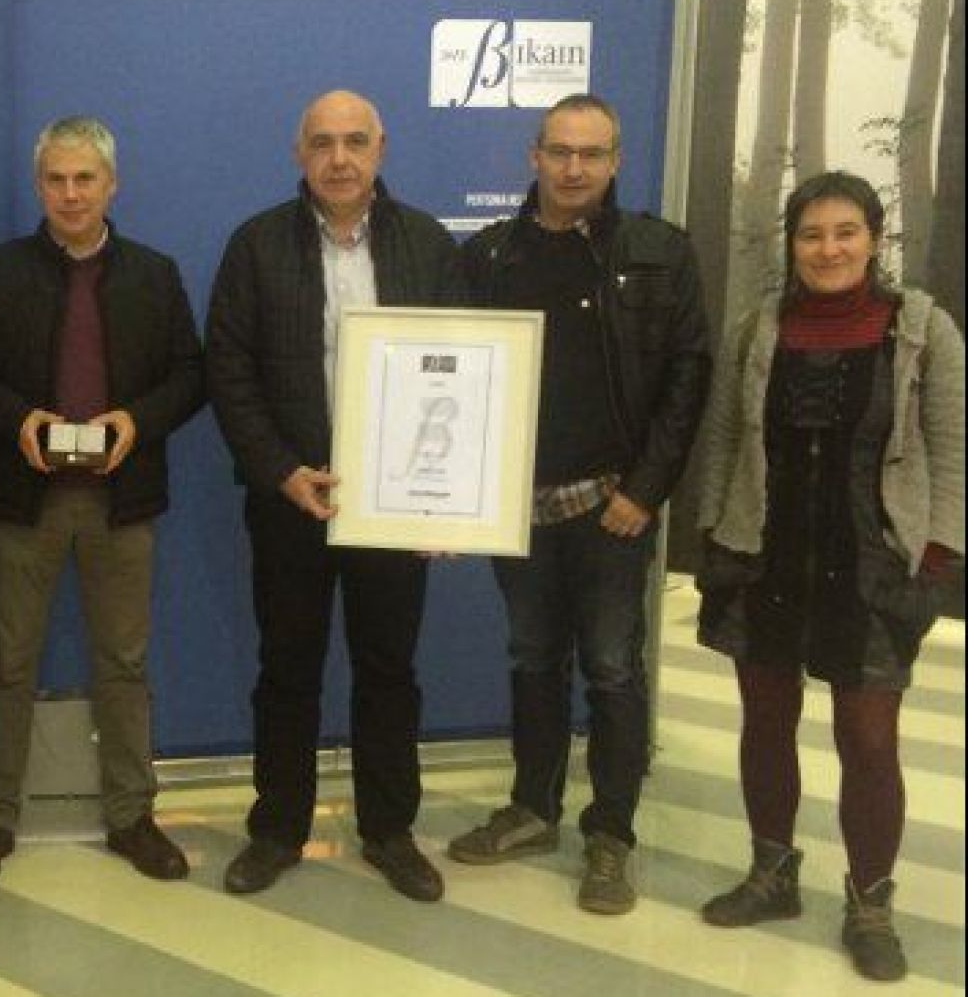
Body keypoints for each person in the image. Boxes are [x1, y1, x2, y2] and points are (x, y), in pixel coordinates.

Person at [693, 171, 962, 982]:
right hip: (766, 558)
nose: (829, 248)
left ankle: (870, 903)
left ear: (874, 239)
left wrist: (934, 559)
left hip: (873, 569)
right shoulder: (759, 327)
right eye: (811, 234)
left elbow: (954, 448)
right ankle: (771, 874)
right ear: (793, 244)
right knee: (765, 722)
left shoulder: (923, 329)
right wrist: (716, 534)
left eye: (846, 232)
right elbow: (725, 439)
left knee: (869, 740)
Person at [447, 94, 711, 916]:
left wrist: (645, 491)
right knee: (532, 658)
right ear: (534, 156)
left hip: (612, 506)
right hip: (515, 506)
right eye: (559, 151)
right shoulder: (489, 255)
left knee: (611, 667)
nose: (573, 168)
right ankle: (533, 809)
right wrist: (452, 499)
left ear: (616, 161)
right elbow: (453, 376)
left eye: (591, 154)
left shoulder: (659, 253)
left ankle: (610, 835)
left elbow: (688, 379)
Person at [205, 90, 460, 903]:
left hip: (396, 503)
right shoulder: (255, 246)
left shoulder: (427, 245)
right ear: (299, 154)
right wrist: (282, 470)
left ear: (381, 148)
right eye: (323, 142)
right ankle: (277, 829)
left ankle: (389, 831)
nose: (339, 159)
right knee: (287, 669)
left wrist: (445, 497)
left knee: (389, 670)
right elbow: (228, 370)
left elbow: (462, 367)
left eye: (355, 142)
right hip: (291, 499)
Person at [0, 116, 204, 885]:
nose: (70, 193)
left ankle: (131, 815)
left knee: (123, 663)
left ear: (111, 184)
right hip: (23, 500)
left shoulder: (154, 275)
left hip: (121, 501)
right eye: (56, 179)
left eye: (84, 178)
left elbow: (191, 375)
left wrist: (138, 421)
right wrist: (17, 419)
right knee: (7, 664)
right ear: (39, 187)